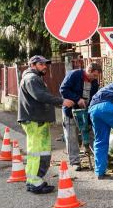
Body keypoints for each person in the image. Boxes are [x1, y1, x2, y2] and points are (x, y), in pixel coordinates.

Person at [18, 55, 74, 194]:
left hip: (36, 120)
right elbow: (40, 96)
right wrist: (61, 101)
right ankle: (35, 183)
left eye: (45, 64)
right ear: (32, 65)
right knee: (38, 153)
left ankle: (33, 181)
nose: (45, 66)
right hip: (35, 121)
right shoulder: (31, 78)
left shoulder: (33, 78)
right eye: (41, 64)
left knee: (37, 153)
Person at [59, 62, 102, 171]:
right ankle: (75, 162)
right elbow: (63, 90)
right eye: (94, 75)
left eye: (97, 76)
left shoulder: (94, 83)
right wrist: (77, 99)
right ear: (88, 71)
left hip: (86, 112)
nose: (95, 78)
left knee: (90, 133)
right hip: (70, 111)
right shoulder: (74, 75)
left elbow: (94, 98)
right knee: (71, 136)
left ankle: (99, 157)